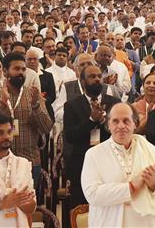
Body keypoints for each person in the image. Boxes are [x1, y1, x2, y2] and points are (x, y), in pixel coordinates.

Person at [80, 102, 155, 228]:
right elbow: (92, 194)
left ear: (135, 123)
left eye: (126, 121)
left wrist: (154, 183)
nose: (121, 126)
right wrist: (131, 187)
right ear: (108, 125)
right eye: (115, 121)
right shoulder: (94, 154)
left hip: (145, 223)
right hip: (110, 223)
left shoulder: (149, 148)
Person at [0, 52, 53, 190]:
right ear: (6, 71)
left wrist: (36, 106)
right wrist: (2, 103)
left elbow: (46, 128)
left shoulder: (33, 95)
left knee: (27, 206)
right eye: (17, 69)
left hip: (29, 161)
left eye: (23, 69)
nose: (21, 73)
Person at [63, 62, 121, 212]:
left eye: (99, 76)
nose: (97, 79)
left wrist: (103, 121)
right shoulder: (71, 105)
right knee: (82, 210)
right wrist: (91, 121)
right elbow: (70, 136)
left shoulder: (114, 103)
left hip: (109, 163)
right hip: (81, 164)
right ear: (83, 81)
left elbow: (120, 134)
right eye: (92, 76)